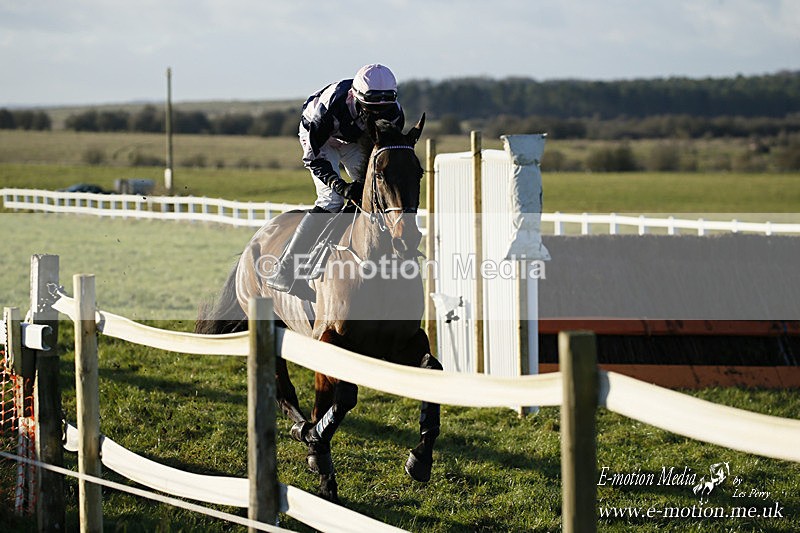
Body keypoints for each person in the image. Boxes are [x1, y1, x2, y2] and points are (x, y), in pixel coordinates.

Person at [265, 64, 405, 300]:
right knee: (332, 199)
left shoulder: (394, 115)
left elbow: (381, 156)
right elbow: (313, 159)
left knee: (369, 192)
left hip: (354, 140)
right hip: (321, 137)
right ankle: (286, 268)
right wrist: (341, 185)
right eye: (371, 110)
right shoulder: (329, 107)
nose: (378, 116)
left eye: (383, 110)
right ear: (356, 97)